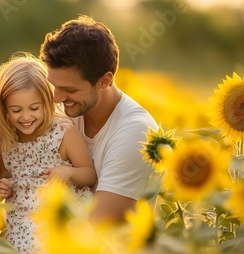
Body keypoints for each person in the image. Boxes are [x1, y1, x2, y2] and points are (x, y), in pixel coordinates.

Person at [39, 15, 159, 224]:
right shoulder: (62, 111)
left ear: (105, 81)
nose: (56, 98)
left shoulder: (135, 131)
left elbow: (100, 227)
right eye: (54, 86)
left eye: (69, 89)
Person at [0, 53, 96, 254]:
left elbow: (90, 174)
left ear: (47, 102)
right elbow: (4, 175)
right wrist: (2, 186)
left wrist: (68, 173)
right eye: (16, 110)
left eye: (34, 108)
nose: (26, 116)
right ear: (5, 109)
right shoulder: (5, 140)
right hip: (21, 219)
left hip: (59, 213)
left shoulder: (63, 133)